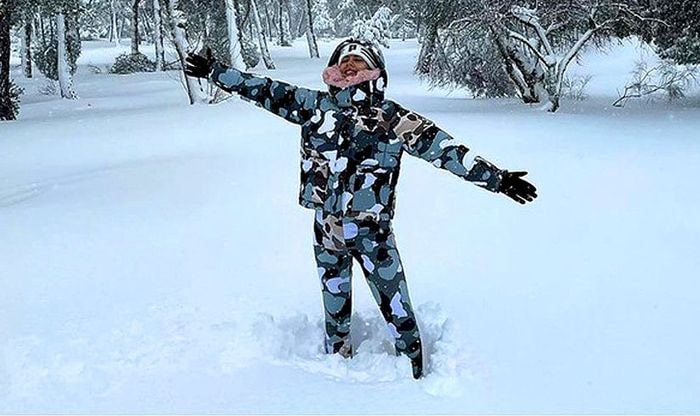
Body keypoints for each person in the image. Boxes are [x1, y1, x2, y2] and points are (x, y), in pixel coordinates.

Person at [184, 38, 537, 380]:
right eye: (344, 59)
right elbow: (262, 89)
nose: (350, 64)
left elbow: (447, 152)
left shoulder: (393, 118)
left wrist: (498, 179)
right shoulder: (313, 106)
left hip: (374, 236)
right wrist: (216, 72)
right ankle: (335, 373)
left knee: (398, 309)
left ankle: (415, 375)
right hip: (326, 231)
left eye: (359, 60)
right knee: (334, 311)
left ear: (375, 70)